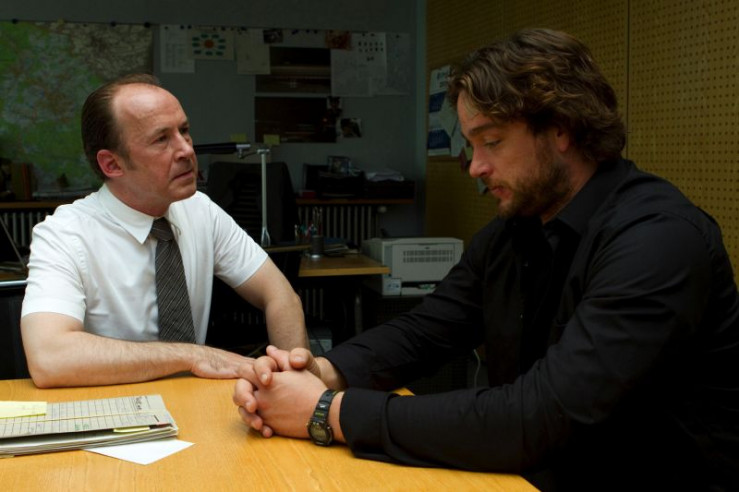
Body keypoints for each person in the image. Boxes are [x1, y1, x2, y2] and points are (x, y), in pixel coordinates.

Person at [232, 29, 739, 490]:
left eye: (492, 142)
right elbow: (428, 330)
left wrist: (326, 412)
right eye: (471, 145)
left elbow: (540, 418)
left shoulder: (658, 240)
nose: (475, 167)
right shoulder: (515, 230)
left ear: (561, 129)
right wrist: (322, 371)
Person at [21, 74, 309, 388]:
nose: (186, 150)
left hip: (196, 402)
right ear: (112, 165)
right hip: (111, 406)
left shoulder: (200, 210)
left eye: (184, 131)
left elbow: (279, 295)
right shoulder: (64, 234)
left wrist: (297, 383)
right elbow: (49, 358)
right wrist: (191, 356)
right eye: (161, 139)